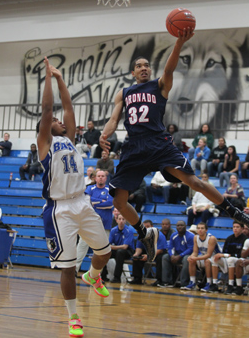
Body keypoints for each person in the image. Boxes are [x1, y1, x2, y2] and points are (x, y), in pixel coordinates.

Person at [99, 29, 249, 263]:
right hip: (134, 147)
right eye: (139, 66)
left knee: (194, 181)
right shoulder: (124, 93)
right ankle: (145, 233)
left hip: (159, 144)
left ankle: (233, 211)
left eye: (146, 65)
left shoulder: (159, 85)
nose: (143, 68)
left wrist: (179, 41)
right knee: (118, 200)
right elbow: (113, 119)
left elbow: (169, 69)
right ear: (133, 72)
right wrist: (104, 135)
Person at [36, 57, 111, 338]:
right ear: (44, 129)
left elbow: (67, 106)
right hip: (60, 210)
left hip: (82, 201)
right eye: (53, 121)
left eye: (59, 120)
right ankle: (74, 318)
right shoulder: (45, 143)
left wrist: (59, 77)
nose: (58, 120)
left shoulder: (70, 138)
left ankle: (92, 275)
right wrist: (46, 78)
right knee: (67, 267)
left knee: (103, 251)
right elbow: (47, 109)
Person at [75, 170, 113, 275]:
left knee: (102, 251)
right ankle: (74, 270)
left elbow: (110, 204)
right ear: (95, 178)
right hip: (89, 224)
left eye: (103, 176)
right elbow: (87, 202)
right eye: (99, 176)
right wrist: (102, 201)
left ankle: (94, 275)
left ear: (106, 178)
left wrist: (95, 202)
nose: (100, 178)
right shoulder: (89, 188)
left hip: (105, 225)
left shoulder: (110, 189)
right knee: (81, 246)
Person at [181, 222, 222, 292]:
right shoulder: (195, 237)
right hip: (205, 257)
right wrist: (191, 257)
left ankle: (209, 283)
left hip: (216, 258)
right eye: (198, 228)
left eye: (202, 228)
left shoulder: (211, 238)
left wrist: (195, 258)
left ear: (206, 230)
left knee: (207, 261)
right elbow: (195, 252)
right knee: (191, 260)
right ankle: (192, 282)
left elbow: (209, 255)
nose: (200, 230)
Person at [210, 221, 246, 294]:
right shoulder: (229, 238)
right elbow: (224, 252)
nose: (235, 229)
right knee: (215, 258)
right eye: (234, 227)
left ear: (242, 229)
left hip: (240, 261)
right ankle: (214, 284)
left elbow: (240, 255)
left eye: (237, 227)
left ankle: (230, 285)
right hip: (229, 259)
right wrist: (222, 255)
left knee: (231, 259)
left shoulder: (245, 239)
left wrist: (226, 255)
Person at [128, 219, 167, 285]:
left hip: (158, 253)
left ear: (152, 226)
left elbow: (160, 250)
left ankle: (159, 280)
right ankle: (137, 278)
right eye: (144, 227)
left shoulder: (159, 235)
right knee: (137, 257)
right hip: (148, 252)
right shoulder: (141, 235)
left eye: (148, 226)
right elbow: (139, 247)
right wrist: (136, 254)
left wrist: (148, 256)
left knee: (160, 258)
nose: (146, 228)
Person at [161, 220, 194, 288]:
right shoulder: (174, 235)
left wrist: (180, 256)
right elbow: (170, 247)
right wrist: (172, 255)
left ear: (185, 226)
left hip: (186, 255)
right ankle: (167, 282)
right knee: (165, 257)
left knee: (186, 259)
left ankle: (184, 283)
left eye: (182, 225)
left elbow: (190, 249)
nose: (180, 227)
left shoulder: (190, 236)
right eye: (178, 225)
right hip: (176, 254)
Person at [109, 213, 135, 283]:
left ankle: (117, 277)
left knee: (120, 252)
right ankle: (103, 275)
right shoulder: (113, 230)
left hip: (128, 251)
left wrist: (112, 247)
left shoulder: (129, 231)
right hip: (117, 250)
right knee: (106, 253)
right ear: (116, 220)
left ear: (125, 221)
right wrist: (110, 247)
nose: (121, 221)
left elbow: (125, 247)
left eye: (123, 219)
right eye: (119, 219)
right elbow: (109, 243)